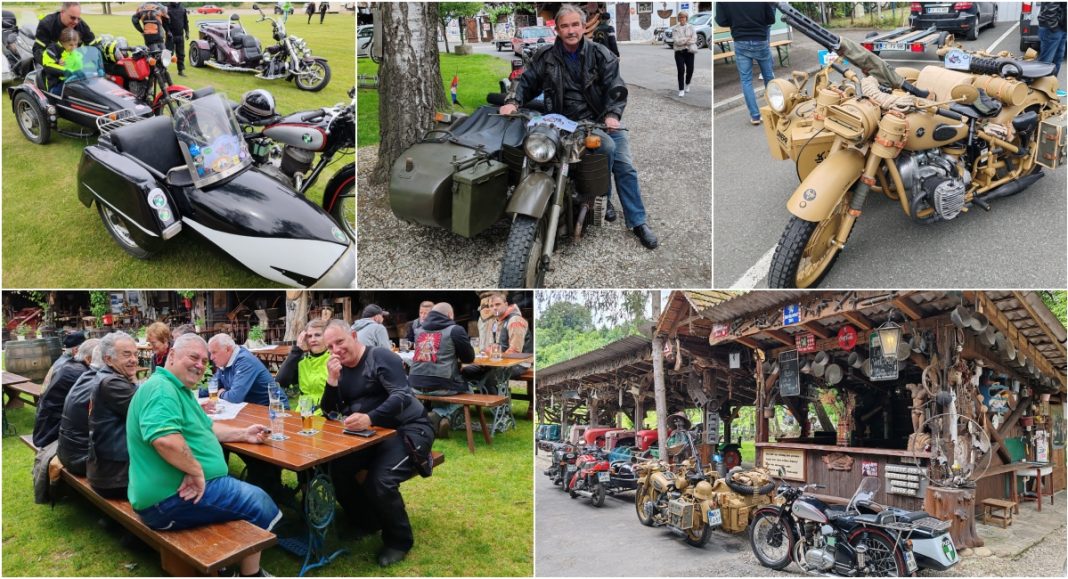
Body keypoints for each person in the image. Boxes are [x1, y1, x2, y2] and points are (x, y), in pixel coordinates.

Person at [501, 4, 659, 249]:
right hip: (561, 123)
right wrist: (512, 101)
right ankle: (581, 200)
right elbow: (526, 81)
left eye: (575, 24)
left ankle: (636, 221)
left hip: (597, 121)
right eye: (565, 26)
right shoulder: (545, 56)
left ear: (584, 27)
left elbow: (616, 88)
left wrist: (612, 115)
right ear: (557, 29)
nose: (571, 30)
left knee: (623, 165)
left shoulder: (601, 54)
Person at [127, 334, 279, 578]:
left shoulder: (178, 389)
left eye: (205, 361)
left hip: (171, 494)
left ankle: (229, 567)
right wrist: (196, 471)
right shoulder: (161, 390)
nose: (200, 365)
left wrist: (243, 433)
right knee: (260, 502)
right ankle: (250, 573)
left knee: (250, 500)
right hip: (168, 500)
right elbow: (164, 439)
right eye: (194, 357)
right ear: (173, 355)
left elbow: (206, 428)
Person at [320, 320, 435, 567]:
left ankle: (399, 541)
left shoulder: (380, 357)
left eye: (340, 341)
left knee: (380, 481)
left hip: (409, 429)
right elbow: (329, 411)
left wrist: (370, 417)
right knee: (336, 469)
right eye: (330, 346)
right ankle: (365, 521)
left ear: (353, 335)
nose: (336, 350)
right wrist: (331, 380)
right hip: (370, 436)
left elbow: (401, 396)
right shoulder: (341, 370)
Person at [409, 303, 476, 439]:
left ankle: (433, 418)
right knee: (469, 390)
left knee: (441, 386)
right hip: (442, 384)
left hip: (414, 383)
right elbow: (469, 358)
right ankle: (440, 413)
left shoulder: (419, 330)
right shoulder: (455, 330)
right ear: (450, 315)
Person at [87, 332, 140, 499]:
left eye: (135, 354)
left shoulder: (108, 377)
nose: (134, 359)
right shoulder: (112, 383)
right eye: (126, 354)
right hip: (115, 478)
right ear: (108, 359)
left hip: (106, 470)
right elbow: (151, 412)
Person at [715, 2, 777, 126]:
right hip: (760, 39)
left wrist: (736, 20)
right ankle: (775, 110)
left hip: (740, 40)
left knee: (746, 80)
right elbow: (771, 19)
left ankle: (755, 116)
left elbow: (721, 21)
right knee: (768, 77)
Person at [33, 337, 98, 448]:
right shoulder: (78, 373)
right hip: (51, 435)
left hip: (48, 427)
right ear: (88, 359)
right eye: (104, 359)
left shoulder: (71, 365)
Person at [461, 292, 532, 384]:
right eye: (491, 306)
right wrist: (486, 352)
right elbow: (494, 346)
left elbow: (515, 353)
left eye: (497, 304)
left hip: (518, 364)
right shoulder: (496, 322)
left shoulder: (515, 320)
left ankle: (498, 397)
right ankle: (474, 395)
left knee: (488, 378)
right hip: (499, 362)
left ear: (506, 304)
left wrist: (492, 354)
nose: (494, 308)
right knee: (467, 371)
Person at [57, 339, 103, 476]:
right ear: (89, 359)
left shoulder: (75, 369)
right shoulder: (98, 380)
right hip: (78, 456)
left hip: (66, 447)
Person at [207, 334, 285, 408]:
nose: (211, 358)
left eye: (214, 352)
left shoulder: (244, 361)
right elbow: (214, 386)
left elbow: (234, 397)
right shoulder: (224, 363)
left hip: (272, 409)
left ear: (228, 349)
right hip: (250, 408)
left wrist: (221, 394)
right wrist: (196, 392)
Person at [275, 319, 330, 407]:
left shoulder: (335, 359)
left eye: (318, 335)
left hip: (326, 415)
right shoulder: (302, 361)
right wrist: (296, 350)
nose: (313, 339)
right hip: (304, 413)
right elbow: (280, 381)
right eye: (309, 336)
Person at [33, 2, 98, 68]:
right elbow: (37, 50)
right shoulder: (46, 24)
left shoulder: (82, 25)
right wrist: (56, 61)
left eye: (78, 18)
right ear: (62, 12)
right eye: (72, 18)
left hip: (74, 64)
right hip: (53, 63)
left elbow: (94, 46)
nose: (76, 22)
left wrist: (83, 60)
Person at [40, 27, 82, 94]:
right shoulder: (52, 49)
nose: (74, 47)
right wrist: (66, 71)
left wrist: (92, 70)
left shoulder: (76, 53)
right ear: (62, 42)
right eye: (70, 45)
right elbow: (48, 65)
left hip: (74, 81)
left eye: (76, 44)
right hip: (57, 84)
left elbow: (81, 64)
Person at [671, 11, 698, 98]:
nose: (682, 19)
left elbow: (694, 39)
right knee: (681, 70)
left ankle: (687, 83)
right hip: (679, 52)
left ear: (686, 18)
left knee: (690, 69)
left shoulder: (691, 27)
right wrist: (687, 39)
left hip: (689, 51)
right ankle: (681, 89)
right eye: (680, 17)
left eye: (684, 17)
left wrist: (683, 40)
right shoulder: (675, 28)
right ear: (678, 19)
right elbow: (677, 41)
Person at [1038, 1, 1066, 77]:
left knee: (1058, 58)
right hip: (1052, 28)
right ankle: (1041, 87)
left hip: (1062, 27)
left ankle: (1051, 85)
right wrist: (1054, 27)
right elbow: (1050, 7)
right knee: (1046, 62)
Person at [164, 2, 188, 76]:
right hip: (170, 36)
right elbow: (164, 22)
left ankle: (180, 71)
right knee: (168, 54)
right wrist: (167, 31)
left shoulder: (182, 9)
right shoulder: (166, 9)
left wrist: (187, 32)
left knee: (181, 54)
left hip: (180, 35)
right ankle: (164, 71)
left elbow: (185, 21)